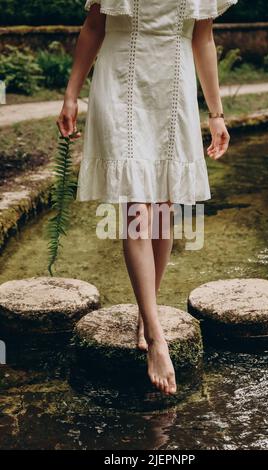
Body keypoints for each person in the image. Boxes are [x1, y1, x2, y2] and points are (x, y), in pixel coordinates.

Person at [57, 0, 238, 395]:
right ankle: (156, 336)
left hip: (172, 91)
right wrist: (71, 94)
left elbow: (203, 38)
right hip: (120, 85)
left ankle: (147, 311)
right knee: (138, 205)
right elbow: (93, 28)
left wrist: (216, 114)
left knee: (163, 207)